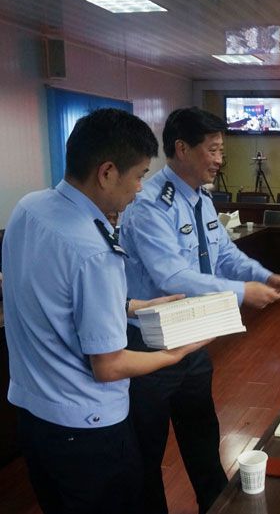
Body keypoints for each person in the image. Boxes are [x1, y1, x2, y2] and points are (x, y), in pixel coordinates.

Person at [2, 108, 208, 514]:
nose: (140, 189)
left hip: (33, 417)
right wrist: (174, 354)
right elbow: (109, 366)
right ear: (108, 172)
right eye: (139, 176)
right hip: (88, 430)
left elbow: (52, 295)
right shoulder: (96, 251)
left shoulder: (29, 208)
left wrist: (134, 306)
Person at [119, 106, 280, 514]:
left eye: (221, 150)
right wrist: (241, 292)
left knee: (202, 437)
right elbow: (172, 276)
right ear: (182, 149)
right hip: (149, 343)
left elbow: (224, 253)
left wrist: (264, 275)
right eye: (213, 150)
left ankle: (216, 507)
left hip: (193, 336)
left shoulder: (200, 197)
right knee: (147, 451)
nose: (219, 159)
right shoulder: (150, 205)